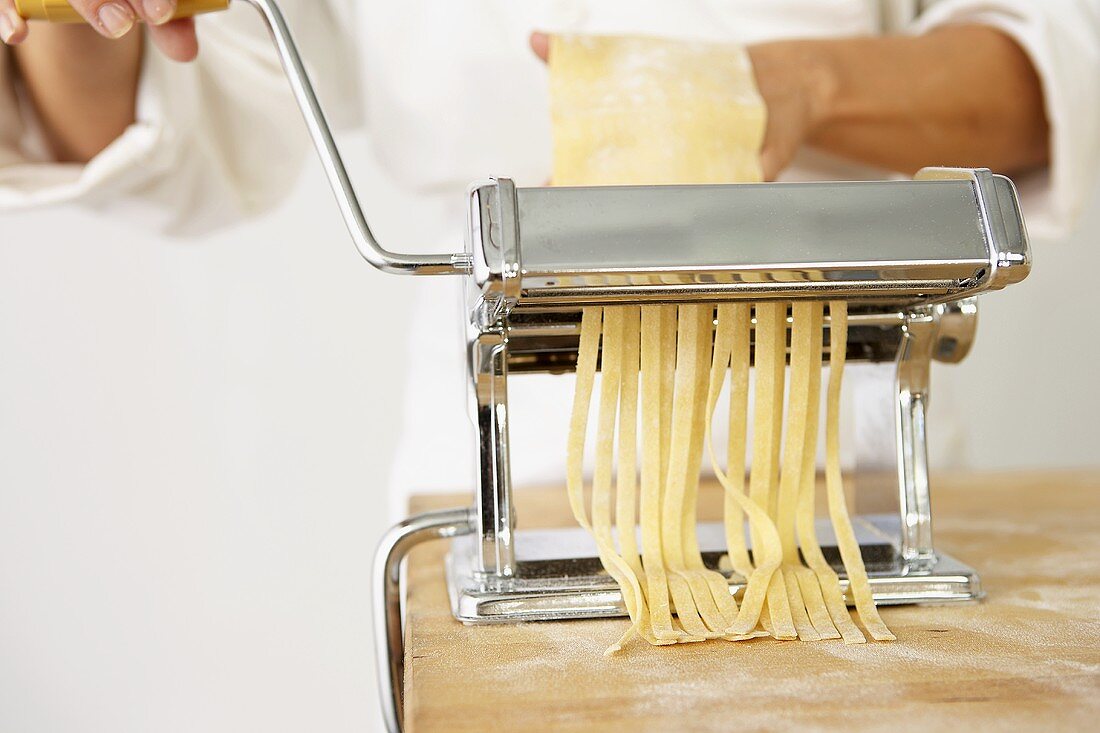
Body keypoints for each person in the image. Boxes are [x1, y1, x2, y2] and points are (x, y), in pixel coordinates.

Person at [2, 0, 1098, 505]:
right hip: (493, 462)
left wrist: (805, 87)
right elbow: (143, 124)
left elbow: (1048, 65)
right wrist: (78, 13)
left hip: (841, 440)